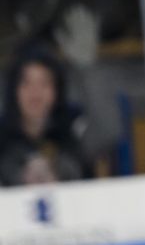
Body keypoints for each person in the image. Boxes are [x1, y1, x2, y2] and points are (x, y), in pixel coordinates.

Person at [0, 38, 116, 186]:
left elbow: (109, 134)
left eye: (44, 83)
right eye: (26, 83)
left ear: (57, 90)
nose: (35, 93)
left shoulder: (72, 124)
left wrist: (86, 66)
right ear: (14, 91)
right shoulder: (2, 134)